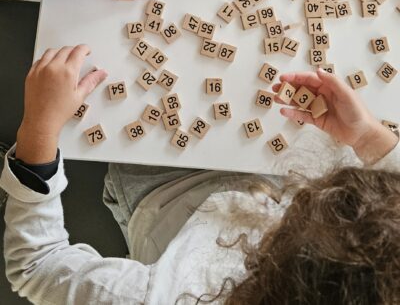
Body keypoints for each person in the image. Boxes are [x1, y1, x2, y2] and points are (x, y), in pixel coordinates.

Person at [1, 44, 399, 304]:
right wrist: (369, 138)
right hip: (270, 162)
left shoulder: (172, 296)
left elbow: (36, 265)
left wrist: (39, 128)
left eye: (302, 212)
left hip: (162, 190)